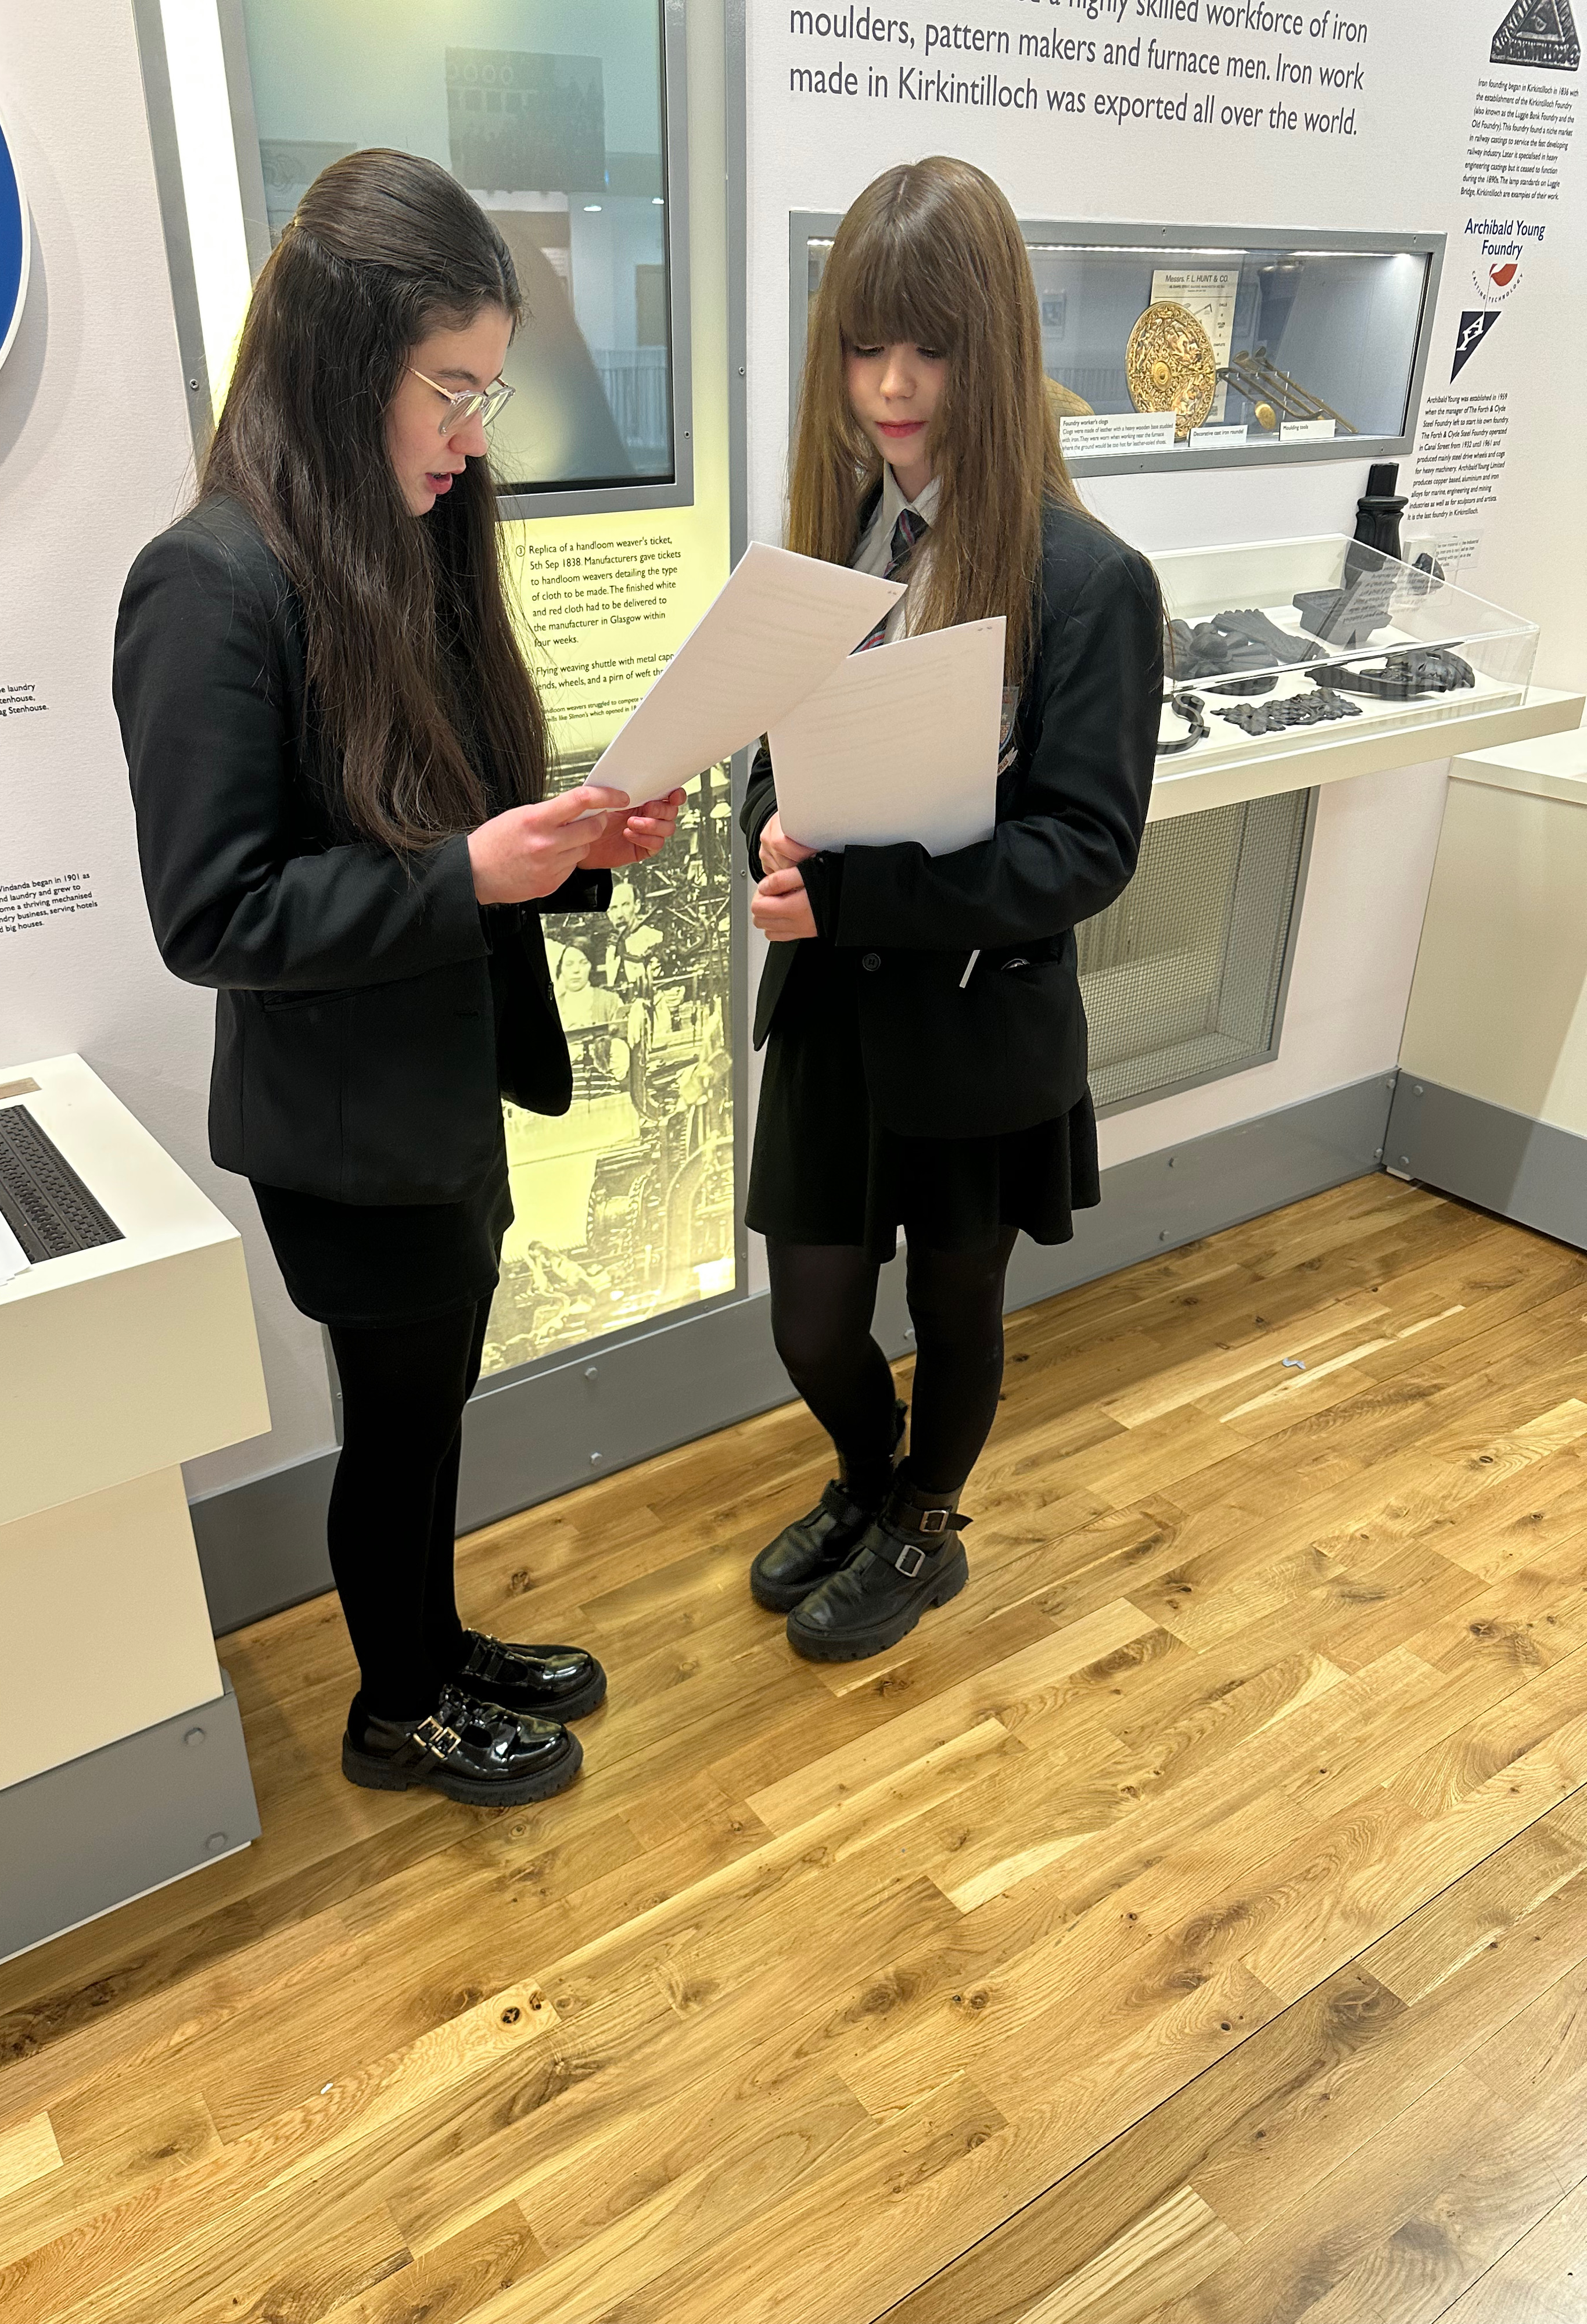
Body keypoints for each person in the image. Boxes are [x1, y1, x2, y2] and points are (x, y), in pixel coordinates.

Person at [114, 151, 683, 1806]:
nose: (471, 433)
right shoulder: (211, 582)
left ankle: (429, 1645)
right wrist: (467, 875)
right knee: (398, 1414)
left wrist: (561, 846)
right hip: (346, 1124)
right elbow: (212, 913)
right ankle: (396, 1708)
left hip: (435, 1100)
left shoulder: (403, 546)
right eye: (452, 389)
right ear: (344, 356)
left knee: (426, 1408)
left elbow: (440, 819)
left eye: (488, 393)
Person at [741, 157, 1162, 1662]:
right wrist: (772, 846)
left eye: (932, 347)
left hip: (983, 1029)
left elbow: (1087, 849)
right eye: (866, 345)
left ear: (997, 350)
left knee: (959, 1306)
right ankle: (869, 1478)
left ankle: (927, 1518)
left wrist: (854, 890)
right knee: (811, 1324)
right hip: (837, 1019)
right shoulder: (834, 540)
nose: (895, 384)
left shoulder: (1089, 581)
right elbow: (775, 757)